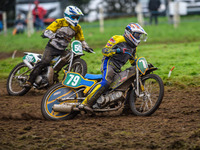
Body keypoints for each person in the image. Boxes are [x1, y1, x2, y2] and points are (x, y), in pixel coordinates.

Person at [79, 23, 147, 112]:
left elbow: (132, 61)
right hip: (109, 64)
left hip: (118, 69)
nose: (138, 38)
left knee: (130, 81)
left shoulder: (133, 47)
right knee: (106, 81)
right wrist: (116, 51)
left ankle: (128, 108)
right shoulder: (117, 39)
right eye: (137, 35)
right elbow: (105, 51)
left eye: (139, 36)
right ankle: (86, 103)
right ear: (129, 32)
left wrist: (141, 65)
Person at [25, 6, 93, 87]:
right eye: (74, 17)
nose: (76, 19)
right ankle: (29, 81)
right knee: (45, 62)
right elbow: (48, 30)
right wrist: (51, 34)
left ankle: (54, 77)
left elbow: (81, 39)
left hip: (62, 49)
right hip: (52, 47)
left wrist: (86, 47)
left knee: (68, 58)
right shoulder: (59, 22)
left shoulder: (77, 27)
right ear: (68, 15)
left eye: (77, 17)